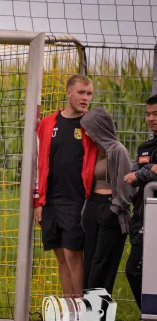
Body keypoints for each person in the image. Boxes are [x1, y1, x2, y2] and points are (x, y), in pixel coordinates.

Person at [34, 74, 97, 298]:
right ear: (68, 92)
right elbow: (38, 162)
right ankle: (69, 309)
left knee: (73, 255)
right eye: (81, 92)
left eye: (89, 94)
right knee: (60, 255)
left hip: (77, 199)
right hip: (50, 200)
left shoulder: (91, 124)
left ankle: (82, 308)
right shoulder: (48, 123)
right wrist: (38, 201)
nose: (85, 98)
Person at [79, 108, 135, 296]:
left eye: (89, 128)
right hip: (93, 206)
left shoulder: (118, 150)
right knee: (90, 261)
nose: (86, 132)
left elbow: (128, 185)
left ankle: (99, 318)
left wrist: (115, 207)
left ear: (99, 128)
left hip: (111, 209)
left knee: (103, 263)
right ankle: (90, 316)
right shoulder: (94, 151)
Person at [123, 94, 157, 321]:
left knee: (136, 268)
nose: (151, 119)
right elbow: (132, 174)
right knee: (135, 269)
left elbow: (139, 174)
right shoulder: (145, 147)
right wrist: (147, 170)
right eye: (148, 114)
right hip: (142, 218)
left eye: (155, 114)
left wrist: (143, 174)